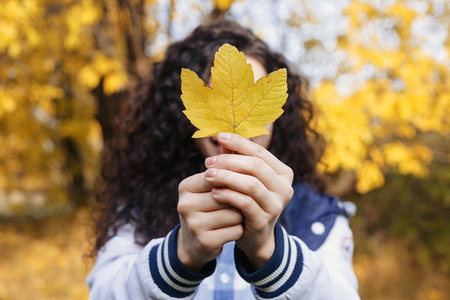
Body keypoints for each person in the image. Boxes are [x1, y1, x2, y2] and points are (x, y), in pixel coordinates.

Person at [87, 20, 360, 299]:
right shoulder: (140, 204)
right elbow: (104, 292)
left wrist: (270, 252)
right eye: (210, 97)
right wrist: (181, 255)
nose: (230, 132)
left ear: (280, 118)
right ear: (181, 113)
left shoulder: (316, 213)